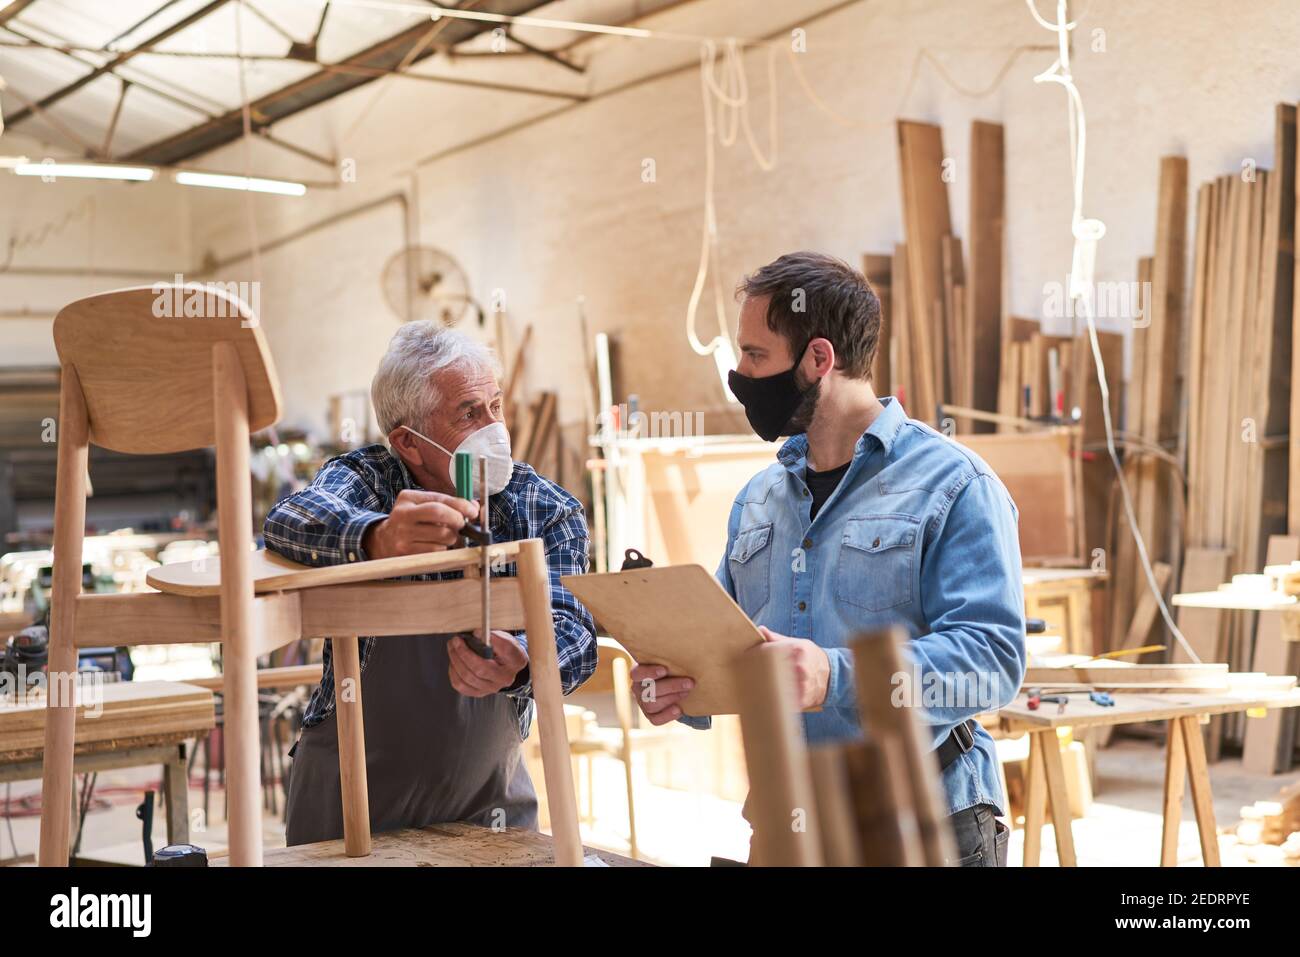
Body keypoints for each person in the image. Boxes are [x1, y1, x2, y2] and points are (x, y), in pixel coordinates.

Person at [631, 252, 1026, 866]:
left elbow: (992, 662)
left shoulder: (952, 484)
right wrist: (675, 688)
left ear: (819, 359)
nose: (740, 374)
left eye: (756, 355)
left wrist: (836, 675)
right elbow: (727, 646)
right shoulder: (760, 499)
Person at [265, 322, 596, 845]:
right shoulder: (372, 481)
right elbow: (288, 520)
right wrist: (376, 536)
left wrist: (526, 659)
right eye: (468, 413)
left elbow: (576, 631)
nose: (493, 427)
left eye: (495, 406)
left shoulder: (540, 506)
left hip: (487, 808)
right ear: (408, 443)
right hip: (349, 809)